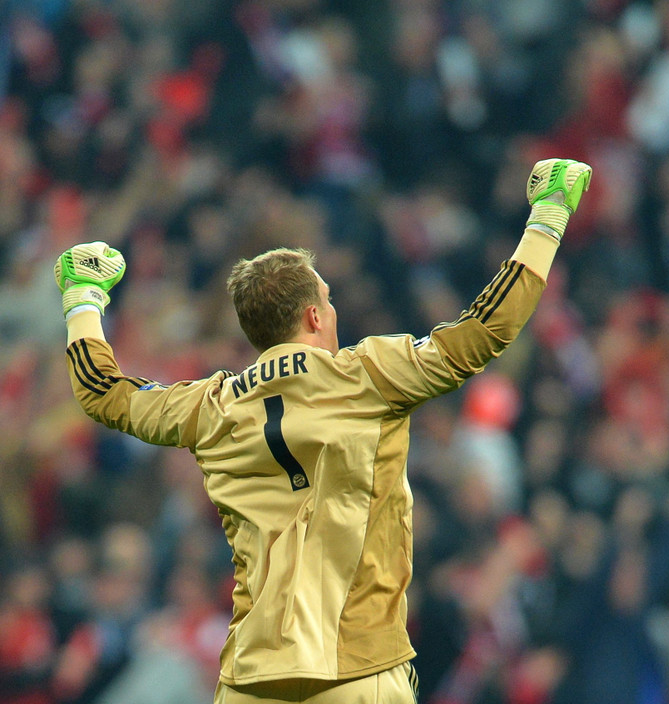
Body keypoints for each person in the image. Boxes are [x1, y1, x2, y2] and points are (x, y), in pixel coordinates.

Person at [54, 158, 592, 704]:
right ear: (314, 317)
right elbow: (483, 330)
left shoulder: (211, 407)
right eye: (328, 301)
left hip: (252, 680)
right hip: (355, 670)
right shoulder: (367, 377)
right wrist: (548, 215)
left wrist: (83, 295)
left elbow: (104, 393)